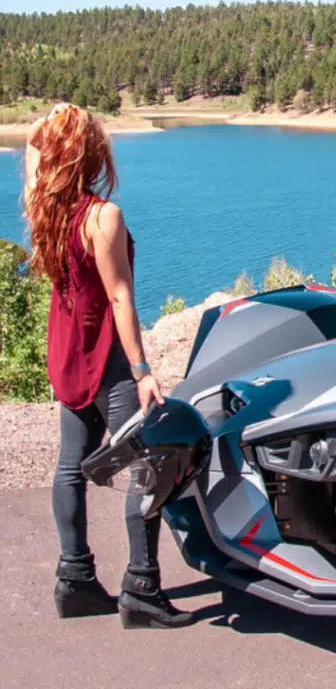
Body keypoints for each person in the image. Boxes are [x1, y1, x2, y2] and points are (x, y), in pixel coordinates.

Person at [24, 102, 194, 629]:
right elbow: (120, 299)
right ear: (92, 155)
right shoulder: (102, 217)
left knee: (70, 468)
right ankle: (141, 587)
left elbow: (32, 150)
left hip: (66, 355)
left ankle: (74, 581)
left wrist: (47, 124)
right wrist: (143, 372)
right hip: (106, 361)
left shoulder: (41, 206)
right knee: (150, 466)